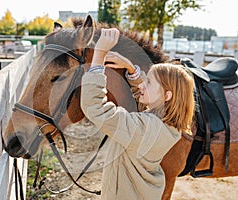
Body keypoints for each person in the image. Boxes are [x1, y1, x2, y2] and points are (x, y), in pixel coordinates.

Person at [80, 28, 195, 200]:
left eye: (148, 82)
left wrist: (99, 54)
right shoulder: (162, 124)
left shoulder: (146, 129)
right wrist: (131, 69)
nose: (142, 85)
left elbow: (95, 107)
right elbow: (142, 104)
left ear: (167, 96)